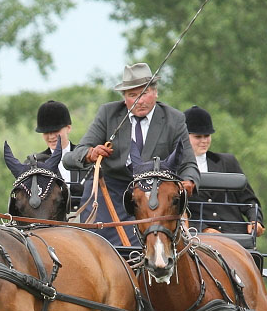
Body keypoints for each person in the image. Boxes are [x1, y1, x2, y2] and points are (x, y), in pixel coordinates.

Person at [63, 63, 199, 247]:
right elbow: (70, 158)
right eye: (132, 95)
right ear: (124, 98)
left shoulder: (174, 119)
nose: (139, 101)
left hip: (154, 195)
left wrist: (189, 180)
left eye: (143, 93)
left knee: (156, 244)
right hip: (110, 193)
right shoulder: (108, 114)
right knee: (98, 248)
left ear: (155, 92)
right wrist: (90, 154)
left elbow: (188, 164)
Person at [184, 105, 264, 238]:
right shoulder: (176, 168)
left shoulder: (227, 162)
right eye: (198, 137)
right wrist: (201, 228)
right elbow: (173, 212)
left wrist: (255, 219)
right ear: (184, 137)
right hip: (198, 238)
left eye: (207, 136)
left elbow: (248, 200)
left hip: (236, 234)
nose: (204, 141)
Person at [33, 99, 84, 201]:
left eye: (55, 131)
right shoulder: (36, 164)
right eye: (46, 132)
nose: (51, 136)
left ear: (68, 128)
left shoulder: (85, 156)